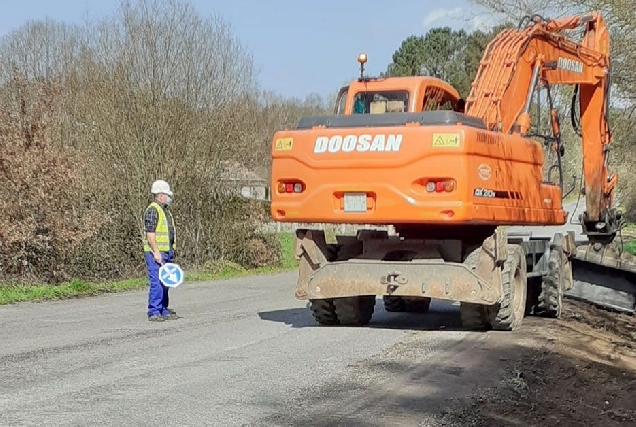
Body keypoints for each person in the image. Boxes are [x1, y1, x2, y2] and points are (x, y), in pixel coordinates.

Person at [142, 179, 178, 322]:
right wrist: (156, 252)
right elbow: (150, 234)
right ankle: (154, 311)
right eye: (167, 195)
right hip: (156, 253)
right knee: (157, 282)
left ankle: (163, 309)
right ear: (161, 195)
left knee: (165, 282)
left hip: (166, 252)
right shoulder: (153, 210)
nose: (169, 198)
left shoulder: (165, 211)